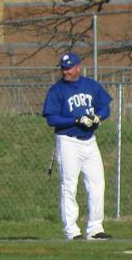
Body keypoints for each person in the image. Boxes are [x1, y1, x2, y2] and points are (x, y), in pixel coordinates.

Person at [43, 51, 113, 241]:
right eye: (63, 68)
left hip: (90, 141)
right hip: (68, 142)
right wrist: (76, 119)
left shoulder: (91, 86)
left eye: (68, 68)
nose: (65, 71)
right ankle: (72, 231)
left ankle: (95, 228)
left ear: (77, 67)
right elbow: (52, 119)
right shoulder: (56, 90)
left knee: (97, 183)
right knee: (69, 185)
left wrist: (99, 117)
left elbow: (105, 106)